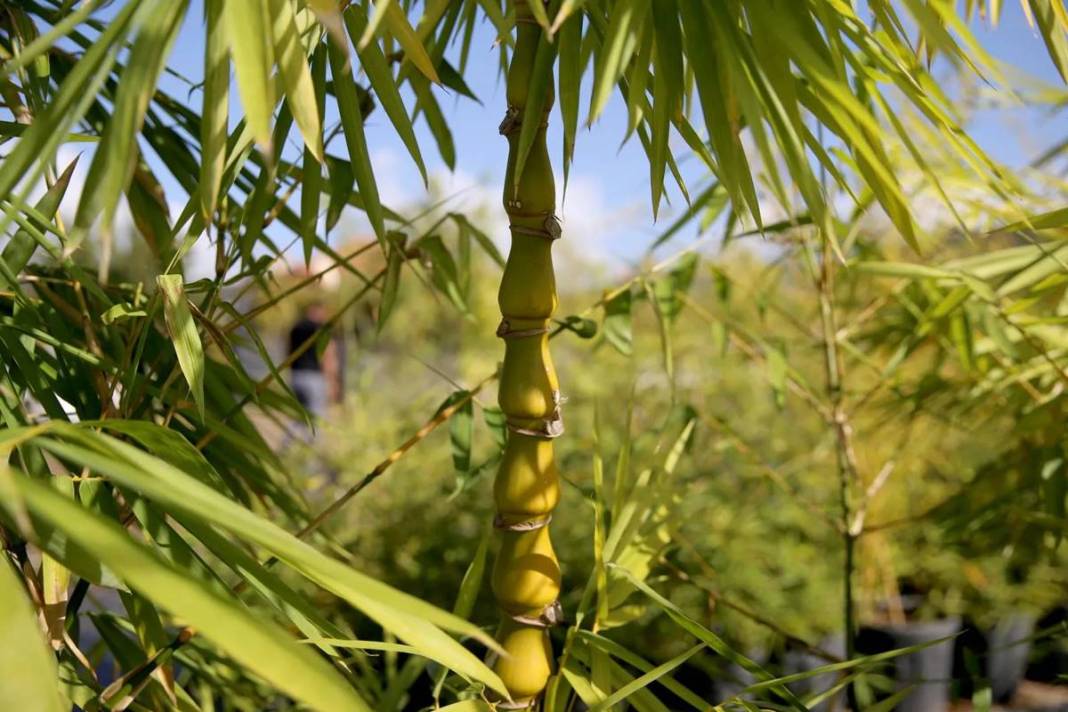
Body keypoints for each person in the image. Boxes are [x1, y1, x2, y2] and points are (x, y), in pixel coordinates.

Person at [287, 301, 340, 418]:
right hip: (314, 377)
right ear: (319, 311)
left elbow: (288, 352)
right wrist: (333, 381)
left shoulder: (295, 328)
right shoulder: (322, 330)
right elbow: (328, 356)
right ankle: (310, 437)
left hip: (296, 375)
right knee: (316, 415)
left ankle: (289, 436)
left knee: (299, 414)